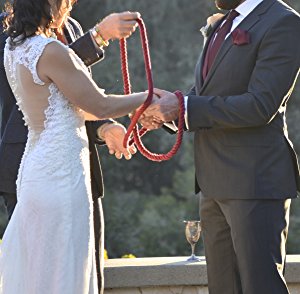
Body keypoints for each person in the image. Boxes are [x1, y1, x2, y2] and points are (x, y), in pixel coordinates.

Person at [141, 0, 300, 293]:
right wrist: (168, 111)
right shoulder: (224, 23)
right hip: (212, 185)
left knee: (261, 287)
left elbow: (260, 105)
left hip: (255, 182)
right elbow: (206, 93)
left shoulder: (284, 22)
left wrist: (184, 106)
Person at [0, 0, 152, 292]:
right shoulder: (27, 39)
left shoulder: (23, 44)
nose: (72, 5)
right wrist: (149, 98)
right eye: (66, 2)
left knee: (47, 274)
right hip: (56, 174)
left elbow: (71, 103)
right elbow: (97, 101)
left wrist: (107, 126)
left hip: (47, 168)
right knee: (62, 273)